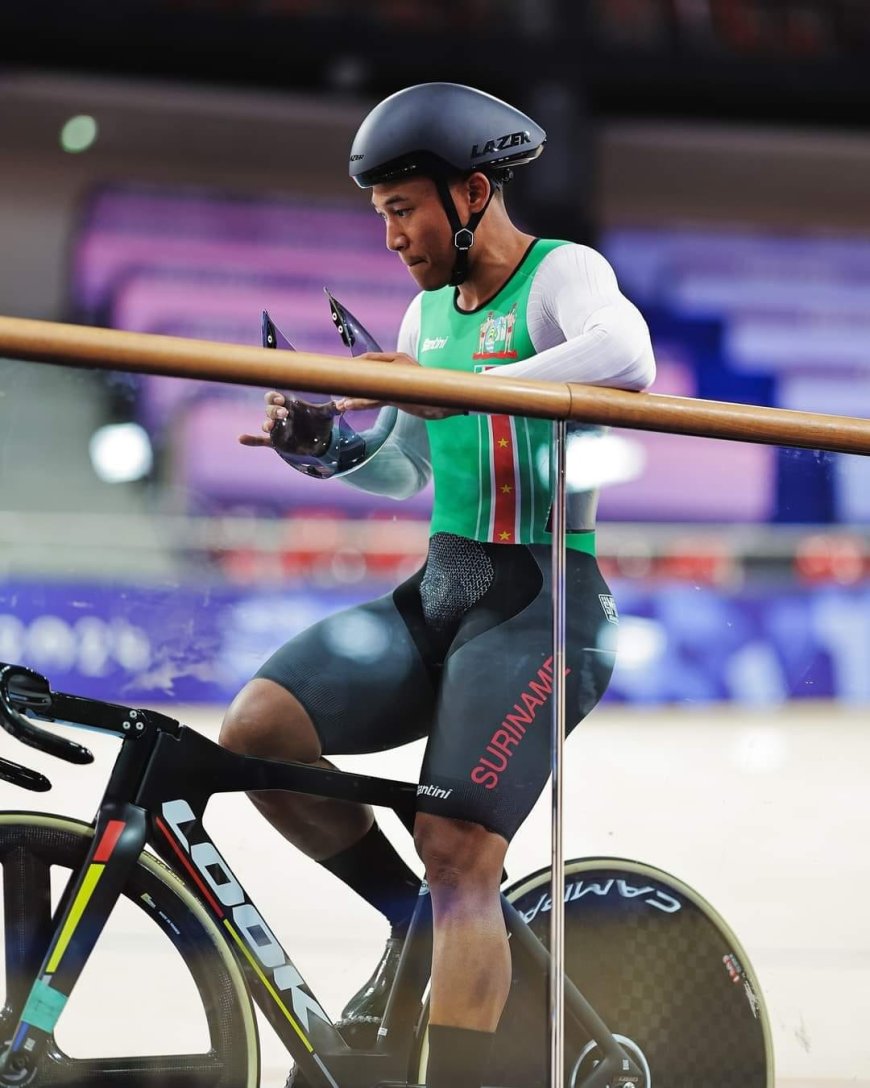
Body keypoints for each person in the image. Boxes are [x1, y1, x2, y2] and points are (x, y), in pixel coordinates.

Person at [223, 82, 656, 1088]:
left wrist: (453, 388)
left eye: (402, 210)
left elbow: (626, 355)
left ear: (470, 193)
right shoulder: (425, 316)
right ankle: (415, 921)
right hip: (444, 589)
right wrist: (325, 449)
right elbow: (409, 465)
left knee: (459, 847)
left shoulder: (561, 275)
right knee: (256, 731)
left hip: (544, 602)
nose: (391, 239)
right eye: (379, 217)